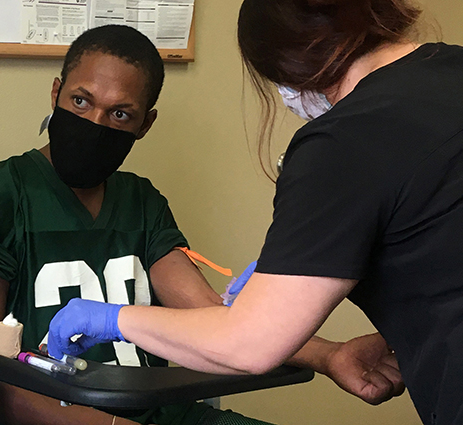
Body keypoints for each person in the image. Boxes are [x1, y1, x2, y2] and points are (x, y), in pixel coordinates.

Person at [47, 1, 463, 424]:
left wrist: (112, 319)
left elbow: (246, 338)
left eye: (120, 113)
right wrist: (394, 336)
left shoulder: (346, 141)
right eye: (81, 100)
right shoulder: (452, 70)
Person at [0, 24, 286, 425]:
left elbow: (217, 322)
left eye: (119, 114)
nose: (94, 123)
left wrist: (330, 355)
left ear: (144, 125)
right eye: (80, 101)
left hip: (161, 411)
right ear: (56, 93)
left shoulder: (142, 202)